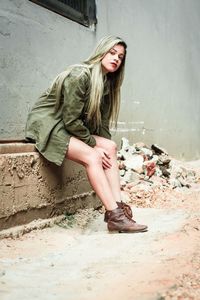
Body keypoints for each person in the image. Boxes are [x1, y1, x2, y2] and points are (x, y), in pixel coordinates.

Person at [25, 35, 148, 233]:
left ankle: (117, 208)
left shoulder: (107, 84)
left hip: (67, 126)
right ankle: (115, 216)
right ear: (101, 52)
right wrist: (93, 145)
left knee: (110, 147)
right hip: (49, 124)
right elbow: (71, 120)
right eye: (112, 52)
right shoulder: (80, 75)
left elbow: (103, 128)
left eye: (121, 56)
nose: (116, 58)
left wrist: (102, 144)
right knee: (93, 157)